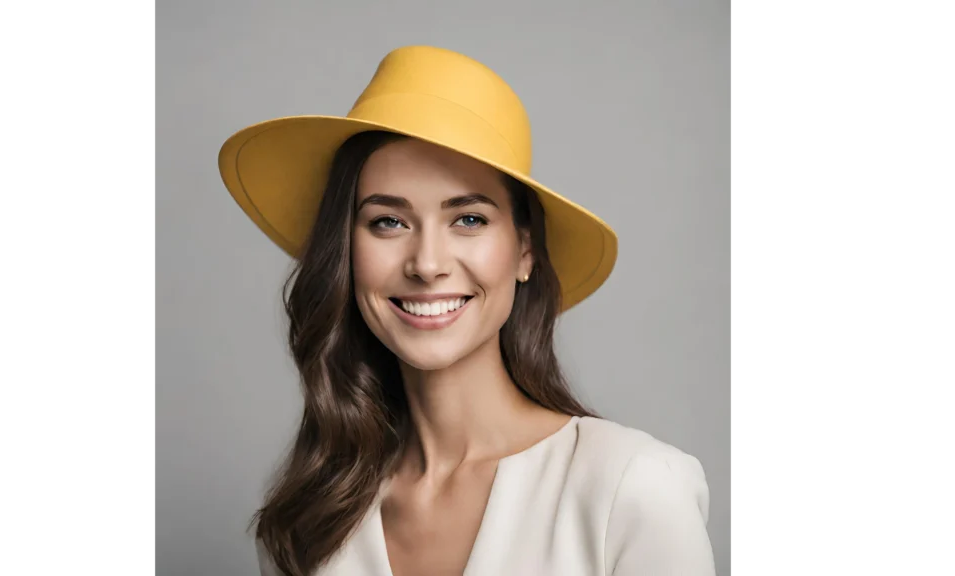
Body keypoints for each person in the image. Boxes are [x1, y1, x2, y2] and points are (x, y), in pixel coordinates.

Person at [217, 45, 716, 576]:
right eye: (388, 221)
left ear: (525, 251)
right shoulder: (309, 521)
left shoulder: (633, 488)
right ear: (345, 250)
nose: (427, 264)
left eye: (469, 219)